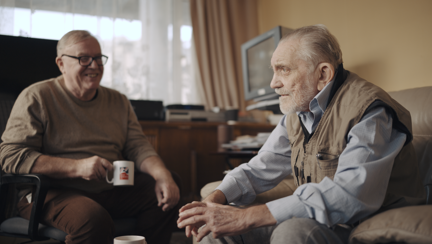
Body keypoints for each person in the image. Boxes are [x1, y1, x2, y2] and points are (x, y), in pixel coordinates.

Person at [177, 24, 425, 244]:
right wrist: (215, 199)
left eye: (283, 70)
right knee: (214, 230)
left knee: (293, 231)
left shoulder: (371, 111)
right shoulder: (298, 112)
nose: (273, 83)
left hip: (363, 223)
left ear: (323, 74)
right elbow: (260, 168)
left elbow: (351, 194)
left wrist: (247, 216)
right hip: (321, 218)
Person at [0, 30, 180, 244]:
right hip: (50, 193)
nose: (94, 65)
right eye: (83, 58)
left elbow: (139, 147)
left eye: (98, 58)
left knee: (169, 189)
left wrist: (163, 176)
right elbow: (10, 156)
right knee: (92, 219)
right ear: (61, 64)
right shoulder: (36, 96)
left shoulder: (118, 101)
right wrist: (77, 167)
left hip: (110, 189)